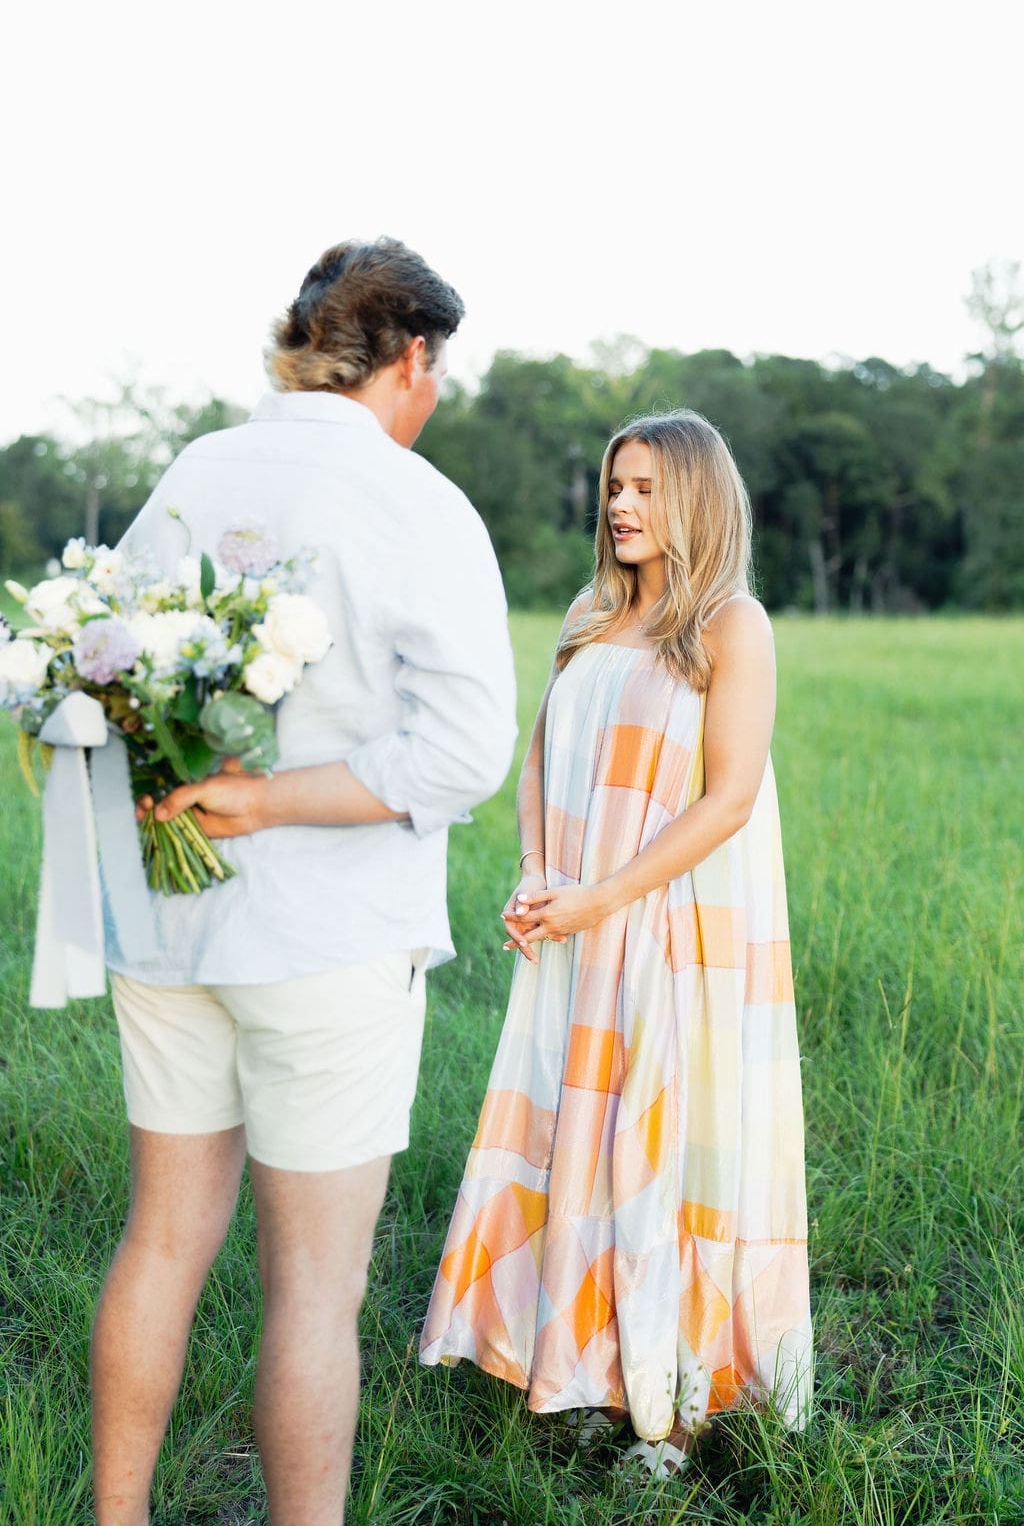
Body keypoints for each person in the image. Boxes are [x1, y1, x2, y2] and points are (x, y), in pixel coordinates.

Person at [90, 238, 517, 1526]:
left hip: (166, 930)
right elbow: (466, 749)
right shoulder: (413, 498)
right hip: (327, 943)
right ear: (413, 356)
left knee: (160, 1243)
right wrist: (269, 799)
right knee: (313, 1292)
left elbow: (104, 673)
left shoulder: (193, 473)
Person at [420, 409, 812, 1478]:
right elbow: (548, 767)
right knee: (574, 1142)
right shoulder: (590, 615)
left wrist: (605, 897)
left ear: (695, 497)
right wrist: (539, 881)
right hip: (579, 924)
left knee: (662, 1138)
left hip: (671, 925)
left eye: (645, 487)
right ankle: (587, 1367)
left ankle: (671, 1402)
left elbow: (727, 799)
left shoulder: (731, 625)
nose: (622, 505)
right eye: (614, 486)